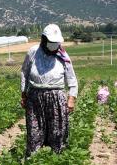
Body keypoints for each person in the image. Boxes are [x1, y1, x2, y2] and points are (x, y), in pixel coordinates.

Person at [21, 24, 78, 156]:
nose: (54, 45)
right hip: (35, 97)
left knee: (57, 132)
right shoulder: (33, 52)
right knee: (35, 132)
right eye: (51, 42)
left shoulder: (63, 55)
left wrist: (71, 99)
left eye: (56, 42)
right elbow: (24, 73)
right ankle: (33, 161)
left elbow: (72, 79)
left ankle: (56, 160)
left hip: (56, 97)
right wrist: (23, 94)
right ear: (43, 39)